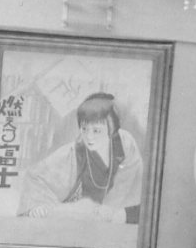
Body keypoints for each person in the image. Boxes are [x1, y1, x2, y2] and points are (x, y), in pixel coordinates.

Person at [19, 92, 143, 223]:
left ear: (111, 129)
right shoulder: (74, 152)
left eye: (96, 130)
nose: (89, 136)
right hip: (82, 219)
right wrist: (39, 207)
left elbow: (131, 184)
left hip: (120, 217)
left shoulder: (125, 144)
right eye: (84, 129)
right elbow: (36, 177)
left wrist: (113, 212)